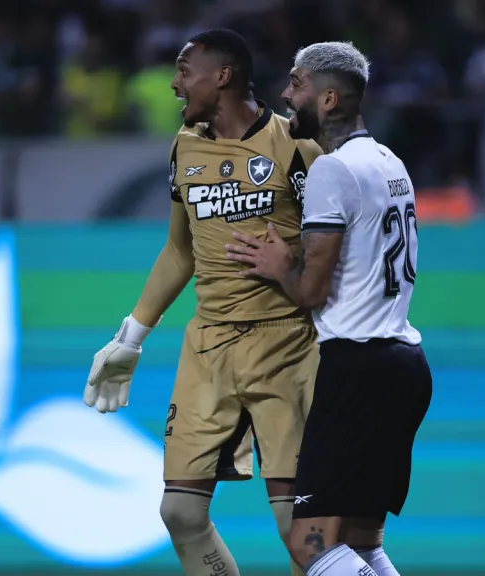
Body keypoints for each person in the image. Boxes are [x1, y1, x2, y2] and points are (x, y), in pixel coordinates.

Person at [83, 29, 323, 576]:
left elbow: (335, 253)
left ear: (224, 76)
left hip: (285, 344)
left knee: (300, 530)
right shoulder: (184, 145)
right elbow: (177, 250)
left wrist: (291, 269)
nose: (173, 83)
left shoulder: (295, 146)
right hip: (209, 348)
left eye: (183, 70)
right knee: (180, 511)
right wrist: (130, 338)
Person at [224, 41, 433, 576]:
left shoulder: (333, 171)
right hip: (404, 363)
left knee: (310, 544)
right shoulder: (391, 163)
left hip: (357, 367)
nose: (285, 95)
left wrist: (278, 266)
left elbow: (310, 292)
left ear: (330, 98)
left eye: (296, 85)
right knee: (361, 542)